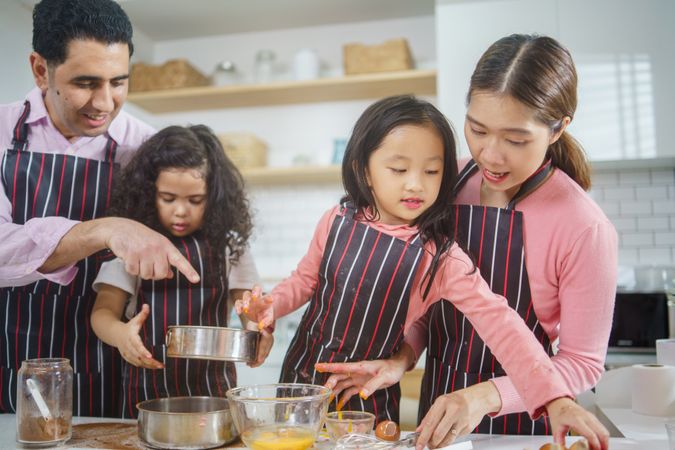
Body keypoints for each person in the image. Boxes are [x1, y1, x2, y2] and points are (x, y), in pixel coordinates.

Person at [237, 95, 609, 447]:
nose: (416, 183)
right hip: (301, 383)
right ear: (362, 171)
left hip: (368, 398)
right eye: (399, 169)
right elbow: (304, 281)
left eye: (432, 171)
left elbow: (503, 324)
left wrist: (554, 398)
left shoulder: (441, 256)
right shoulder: (336, 219)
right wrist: (270, 307)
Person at [317, 34, 616, 450]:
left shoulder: (584, 225)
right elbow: (429, 293)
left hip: (523, 425)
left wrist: (485, 395)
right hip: (439, 412)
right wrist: (401, 359)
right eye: (477, 129)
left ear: (558, 128)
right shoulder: (443, 181)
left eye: (515, 140)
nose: (490, 155)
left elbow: (582, 362)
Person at [0, 0, 199, 417]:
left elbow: (194, 234)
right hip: (6, 354)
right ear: (40, 69)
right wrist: (104, 229)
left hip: (110, 360)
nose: (105, 102)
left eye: (119, 82)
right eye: (86, 82)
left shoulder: (146, 148)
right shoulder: (1, 135)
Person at [90, 125, 271, 418]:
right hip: (147, 394)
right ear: (149, 192)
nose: (181, 211)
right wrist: (121, 335)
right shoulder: (133, 245)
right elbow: (102, 313)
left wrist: (257, 327)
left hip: (213, 393)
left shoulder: (229, 246)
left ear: (213, 196)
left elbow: (248, 306)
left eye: (195, 200)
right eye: (168, 198)